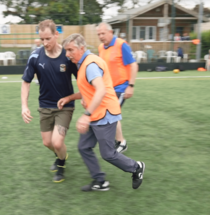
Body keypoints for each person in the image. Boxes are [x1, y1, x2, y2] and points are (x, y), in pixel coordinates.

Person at [57, 33, 146, 192]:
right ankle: (100, 181)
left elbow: (101, 90)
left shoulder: (90, 64)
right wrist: (69, 98)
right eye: (66, 50)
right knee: (84, 146)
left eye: (70, 50)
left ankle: (136, 167)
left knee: (108, 154)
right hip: (95, 114)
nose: (67, 54)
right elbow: (88, 90)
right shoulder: (83, 63)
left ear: (82, 48)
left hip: (104, 114)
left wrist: (86, 115)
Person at [20, 19, 78, 183]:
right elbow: (26, 82)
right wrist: (24, 105)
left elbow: (81, 79)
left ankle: (61, 164)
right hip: (45, 106)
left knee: (57, 143)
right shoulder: (35, 57)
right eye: (42, 39)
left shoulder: (67, 56)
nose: (45, 43)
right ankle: (61, 156)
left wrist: (85, 98)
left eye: (48, 39)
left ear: (56, 34)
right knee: (47, 142)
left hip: (65, 107)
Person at [96, 22, 138, 153]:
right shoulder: (101, 48)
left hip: (121, 87)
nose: (101, 36)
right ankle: (116, 140)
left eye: (103, 33)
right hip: (108, 88)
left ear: (111, 32)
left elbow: (133, 65)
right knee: (108, 113)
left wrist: (130, 86)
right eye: (98, 34)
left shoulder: (121, 44)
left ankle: (121, 142)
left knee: (111, 113)